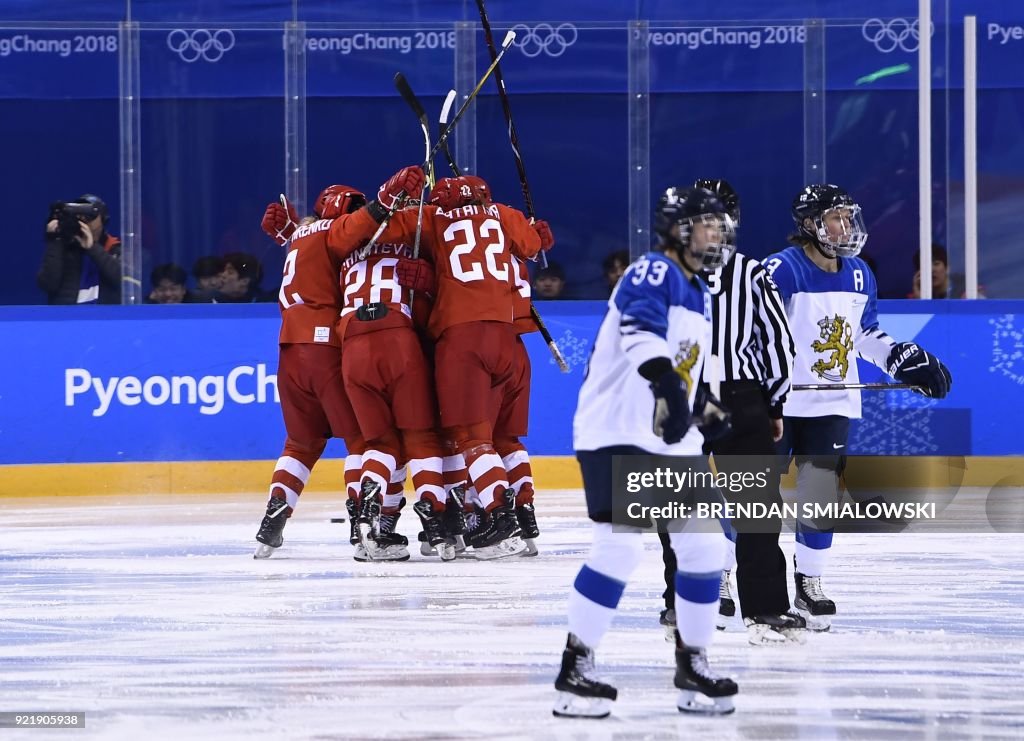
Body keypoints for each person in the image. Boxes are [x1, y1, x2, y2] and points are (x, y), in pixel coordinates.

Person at [554, 187, 738, 719]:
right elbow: (640, 335)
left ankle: (693, 664)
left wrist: (702, 406)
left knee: (706, 548)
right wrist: (670, 390)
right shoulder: (653, 272)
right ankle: (575, 668)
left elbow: (678, 364)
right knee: (621, 546)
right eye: (707, 224)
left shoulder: (696, 290)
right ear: (678, 229)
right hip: (616, 432)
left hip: (665, 441)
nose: (717, 235)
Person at [331, 169, 549, 559]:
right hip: (509, 338)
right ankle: (510, 513)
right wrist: (535, 231)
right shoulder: (503, 213)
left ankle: (498, 520)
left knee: (465, 437)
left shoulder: (432, 217)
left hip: (458, 336)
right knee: (502, 438)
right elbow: (534, 245)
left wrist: (391, 198)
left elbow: (366, 231)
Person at [762, 184, 952, 630]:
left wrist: (900, 358)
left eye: (848, 217)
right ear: (810, 225)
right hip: (779, 403)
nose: (845, 227)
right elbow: (759, 333)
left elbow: (864, 335)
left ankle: (809, 582)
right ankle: (730, 575)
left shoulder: (861, 274)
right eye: (835, 218)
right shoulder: (780, 271)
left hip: (832, 403)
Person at [252, 168, 423, 560]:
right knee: (365, 442)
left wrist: (287, 231)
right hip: (325, 346)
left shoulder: (302, 236)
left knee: (300, 444)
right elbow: (357, 228)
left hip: (289, 349)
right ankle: (360, 529)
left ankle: (270, 525)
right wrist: (386, 198)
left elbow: (314, 255)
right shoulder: (336, 230)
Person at [38, 194, 122, 304]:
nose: (84, 219)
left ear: (103, 219)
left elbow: (124, 282)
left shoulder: (114, 247)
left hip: (104, 317)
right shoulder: (64, 246)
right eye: (78, 215)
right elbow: (47, 284)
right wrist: (55, 240)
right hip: (68, 317)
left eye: (90, 215)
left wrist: (93, 248)